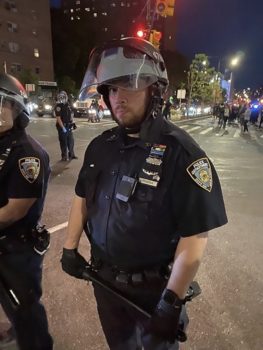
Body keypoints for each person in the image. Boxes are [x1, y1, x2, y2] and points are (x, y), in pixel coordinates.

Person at [61, 37, 228, 350]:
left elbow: (195, 235)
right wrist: (70, 247)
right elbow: (82, 195)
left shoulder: (183, 154)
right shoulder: (101, 146)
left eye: (127, 84)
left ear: (155, 90)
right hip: (105, 283)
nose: (117, 97)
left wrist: (172, 300)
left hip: (152, 294)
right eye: (111, 88)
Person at [0, 73, 53, 349]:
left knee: (26, 308)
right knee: (9, 304)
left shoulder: (27, 153)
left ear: (15, 108)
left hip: (17, 251)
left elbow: (14, 211)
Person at [54, 90, 77, 161]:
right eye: (61, 96)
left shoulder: (68, 105)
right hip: (62, 127)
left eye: (64, 96)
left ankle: (71, 155)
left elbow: (71, 115)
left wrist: (72, 123)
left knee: (71, 141)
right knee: (63, 142)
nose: (63, 98)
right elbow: (58, 118)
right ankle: (64, 156)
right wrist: (63, 127)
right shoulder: (58, 106)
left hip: (69, 126)